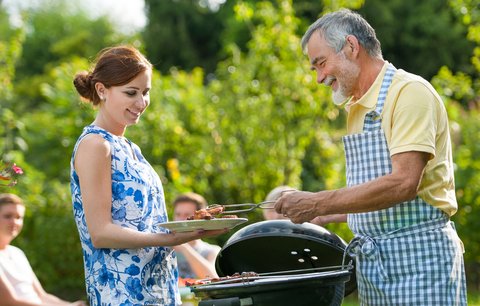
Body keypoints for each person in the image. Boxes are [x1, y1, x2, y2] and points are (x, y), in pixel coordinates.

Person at [274, 9, 467, 305]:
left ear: (351, 47)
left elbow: (403, 183)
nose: (319, 78)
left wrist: (319, 201)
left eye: (320, 63)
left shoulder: (408, 93)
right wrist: (321, 213)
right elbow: (375, 199)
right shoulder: (357, 108)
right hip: (376, 270)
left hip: (421, 262)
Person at [71, 45, 227, 306]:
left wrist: (192, 226)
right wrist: (174, 238)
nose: (141, 102)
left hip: (159, 288)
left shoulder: (131, 148)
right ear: (102, 90)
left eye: (145, 92)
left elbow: (146, 222)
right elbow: (100, 233)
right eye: (131, 92)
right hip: (122, 294)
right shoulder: (95, 145)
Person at [0, 193, 86, 306]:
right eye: (8, 216)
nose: (14, 222)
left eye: (19, 217)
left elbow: (42, 296)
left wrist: (71, 305)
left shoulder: (17, 253)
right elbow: (8, 302)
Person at [172, 192, 220, 284]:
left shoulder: (211, 251)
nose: (181, 220)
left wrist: (184, 247)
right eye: (178, 214)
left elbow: (213, 278)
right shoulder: (164, 249)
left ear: (201, 217)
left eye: (187, 215)